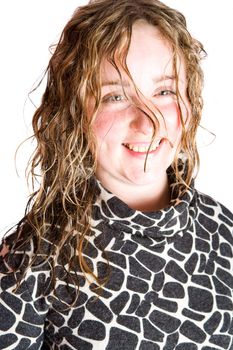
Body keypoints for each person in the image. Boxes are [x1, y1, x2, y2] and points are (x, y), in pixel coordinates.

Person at [0, 0, 232, 349]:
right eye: (114, 96)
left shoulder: (224, 231)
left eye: (164, 91)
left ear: (189, 100)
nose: (147, 121)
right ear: (74, 113)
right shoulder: (32, 258)